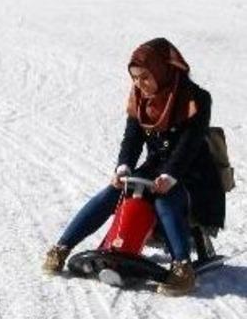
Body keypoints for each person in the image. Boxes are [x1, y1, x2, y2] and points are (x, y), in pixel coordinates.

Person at [42, 38, 226, 296]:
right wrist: (124, 167)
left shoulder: (196, 98)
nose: (139, 84)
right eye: (135, 78)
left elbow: (190, 144)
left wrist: (170, 175)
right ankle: (61, 248)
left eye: (145, 77)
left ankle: (182, 269)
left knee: (164, 199)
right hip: (156, 168)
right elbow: (132, 138)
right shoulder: (139, 98)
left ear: (162, 71)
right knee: (114, 191)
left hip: (193, 175)